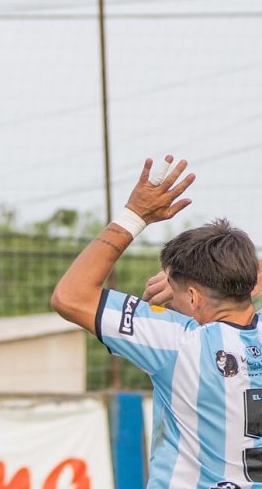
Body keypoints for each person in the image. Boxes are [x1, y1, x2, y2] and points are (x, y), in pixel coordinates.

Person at [52, 157, 262, 487]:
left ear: (194, 298)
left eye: (175, 292)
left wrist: (135, 215)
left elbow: (70, 296)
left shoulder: (178, 342)